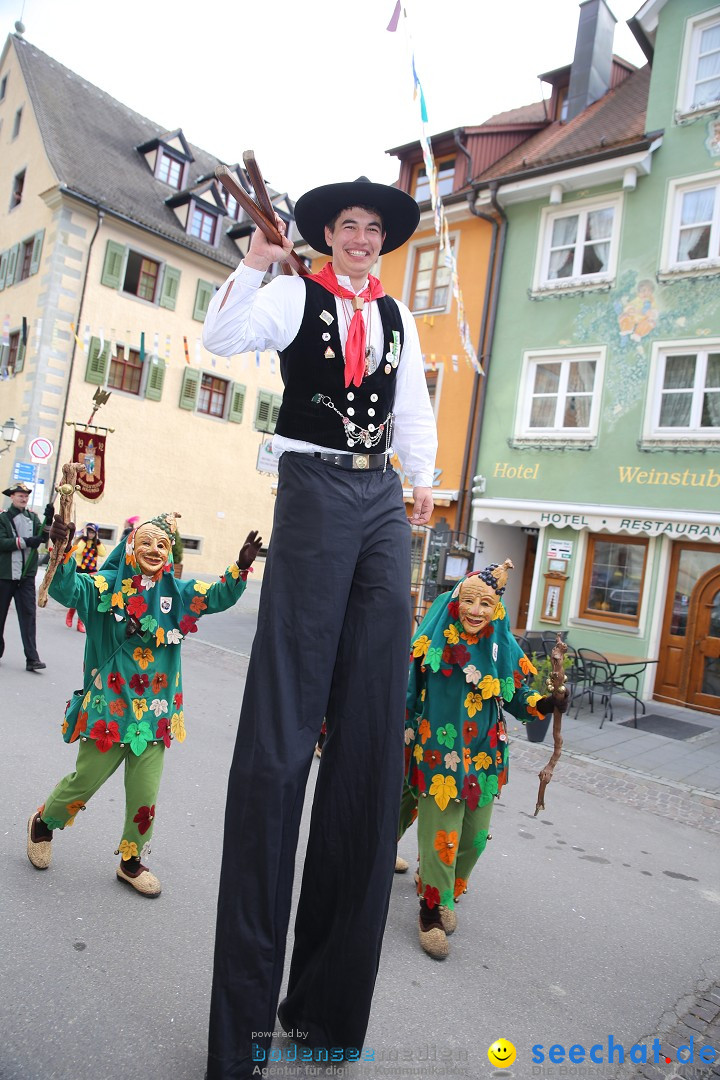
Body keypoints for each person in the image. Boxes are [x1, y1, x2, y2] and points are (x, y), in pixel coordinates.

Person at [202, 176, 437, 1077]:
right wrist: (256, 262)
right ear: (325, 234)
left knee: (373, 740)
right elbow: (222, 339)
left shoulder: (399, 318)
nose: (364, 238)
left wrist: (421, 476)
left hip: (380, 500)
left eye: (376, 228)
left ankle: (326, 1013)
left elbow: (410, 403)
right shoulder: (294, 293)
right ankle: (243, 1036)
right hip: (311, 490)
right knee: (283, 739)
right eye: (350, 225)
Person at [26, 512, 262, 897]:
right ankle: (43, 822)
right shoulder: (104, 586)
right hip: (109, 711)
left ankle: (130, 861)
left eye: (162, 544)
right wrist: (61, 548)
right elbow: (67, 589)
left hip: (154, 716)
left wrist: (241, 566)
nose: (154, 550)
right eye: (147, 542)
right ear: (131, 546)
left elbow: (216, 596)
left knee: (144, 796)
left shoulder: (178, 594)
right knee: (84, 782)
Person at [397, 560, 568, 959]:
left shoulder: (500, 644)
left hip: (485, 757)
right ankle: (431, 912)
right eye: (470, 600)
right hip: (437, 755)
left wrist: (545, 702)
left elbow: (516, 695)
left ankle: (440, 888)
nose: (477, 610)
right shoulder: (434, 640)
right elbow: (405, 690)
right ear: (456, 602)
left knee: (474, 839)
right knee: (443, 837)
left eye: (486, 603)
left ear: (496, 608)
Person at [0, 482, 52, 671]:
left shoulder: (33, 518)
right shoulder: (3, 519)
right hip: (5, 575)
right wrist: (26, 542)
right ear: (12, 497)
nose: (23, 498)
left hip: (26, 576)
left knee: (29, 616)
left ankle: (32, 658)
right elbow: (2, 542)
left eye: (26, 495)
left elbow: (44, 537)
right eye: (20, 495)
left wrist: (49, 518)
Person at [65, 522, 107, 633]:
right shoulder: (81, 541)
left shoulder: (96, 544)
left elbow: (103, 553)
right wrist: (84, 540)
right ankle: (70, 614)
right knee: (77, 595)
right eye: (89, 531)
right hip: (80, 570)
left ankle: (80, 623)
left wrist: (97, 542)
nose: (91, 534)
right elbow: (78, 550)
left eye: (93, 532)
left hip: (91, 572)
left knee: (85, 598)